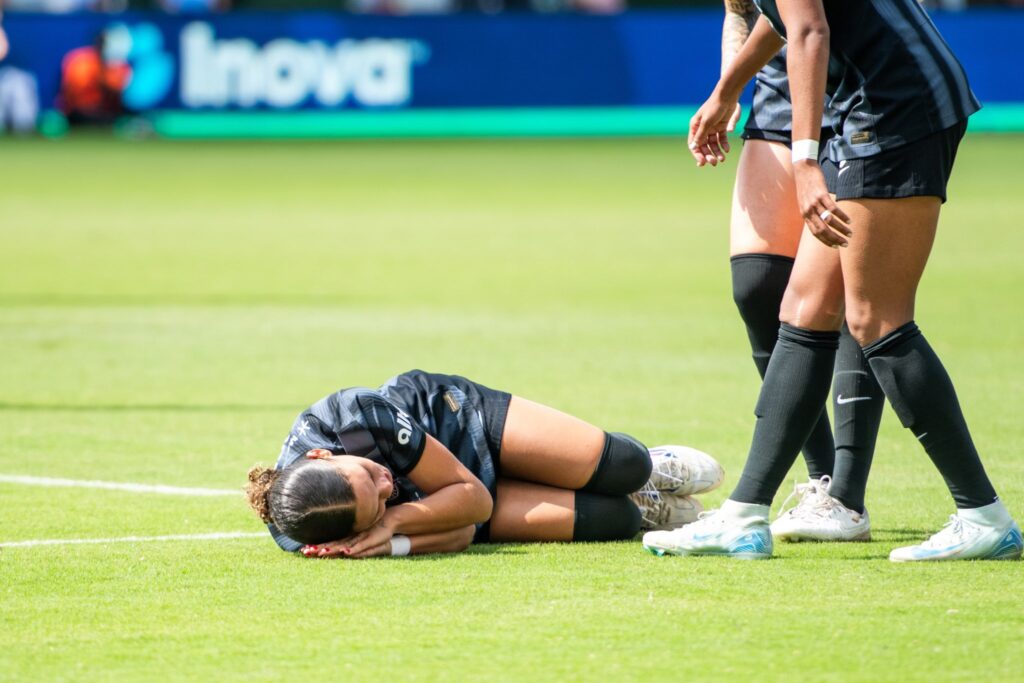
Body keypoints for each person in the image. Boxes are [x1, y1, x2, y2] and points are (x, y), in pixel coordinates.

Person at [645, 0, 1022, 561]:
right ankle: (745, 516)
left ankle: (984, 517)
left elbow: (810, 28)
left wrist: (804, 162)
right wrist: (728, 89)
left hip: (896, 101)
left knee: (877, 318)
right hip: (871, 99)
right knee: (805, 307)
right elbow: (781, 15)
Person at [246, 370, 724, 558]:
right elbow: (465, 529)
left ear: (322, 455)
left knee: (624, 466)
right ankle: (639, 501)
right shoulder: (306, 531)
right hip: (449, 498)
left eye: (369, 474)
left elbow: (471, 497)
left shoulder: (357, 416)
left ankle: (651, 471)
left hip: (456, 423)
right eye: (376, 502)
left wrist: (389, 520)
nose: (387, 483)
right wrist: (394, 544)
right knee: (617, 518)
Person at [721, 0, 883, 542]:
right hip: (776, 81)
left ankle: (845, 495)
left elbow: (813, 22)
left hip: (855, 82)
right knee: (757, 287)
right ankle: (821, 481)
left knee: (849, 293)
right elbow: (743, 11)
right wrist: (729, 91)